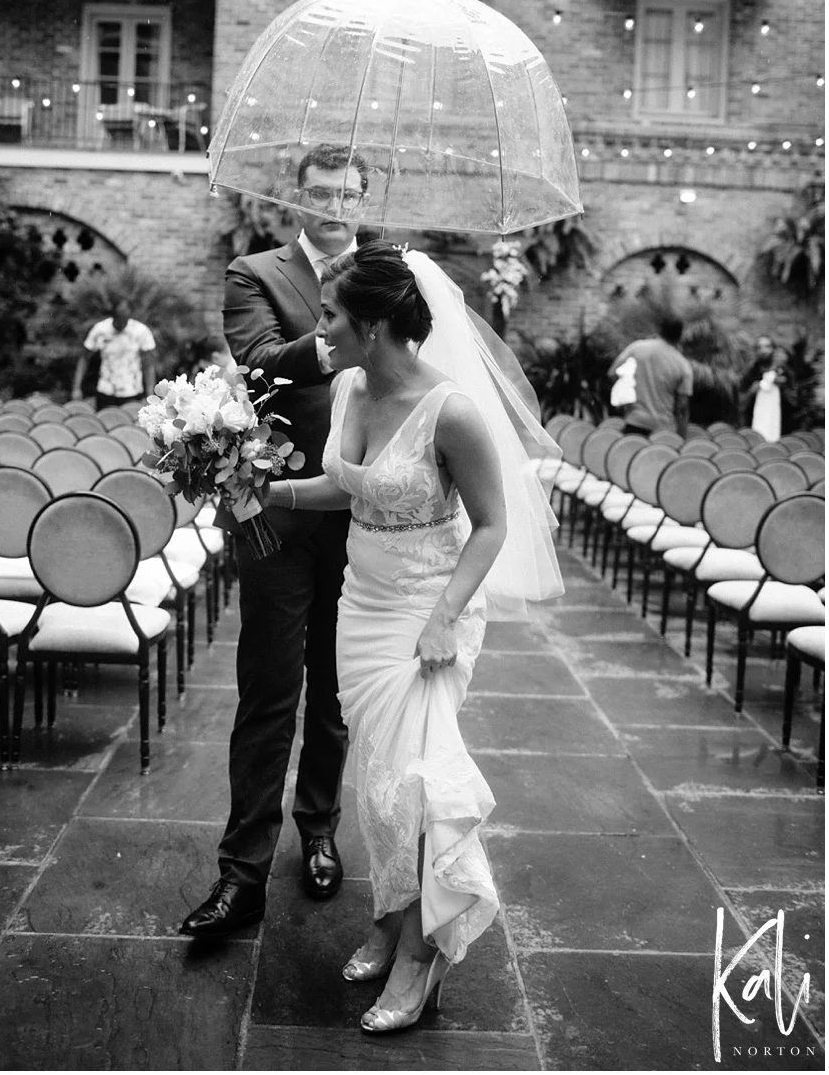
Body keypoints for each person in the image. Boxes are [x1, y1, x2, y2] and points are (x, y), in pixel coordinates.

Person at [259, 241, 563, 1033]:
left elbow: (493, 527)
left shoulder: (452, 410)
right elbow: (345, 484)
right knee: (380, 780)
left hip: (430, 612)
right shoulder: (354, 385)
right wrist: (267, 491)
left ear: (378, 324)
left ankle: (422, 955)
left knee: (422, 783)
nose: (318, 330)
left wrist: (440, 622)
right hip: (361, 605)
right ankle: (391, 912)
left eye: (330, 317)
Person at [180, 142, 370, 939]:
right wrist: (339, 341)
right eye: (319, 191)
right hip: (278, 512)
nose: (332, 204)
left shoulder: (391, 272)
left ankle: (319, 829)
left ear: (364, 198)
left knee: (334, 688)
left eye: (346, 192)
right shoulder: (255, 273)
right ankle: (242, 871)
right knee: (267, 688)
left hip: (364, 514)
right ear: (296, 199)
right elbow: (258, 363)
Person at [610, 317, 693, 438]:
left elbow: (613, 373)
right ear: (680, 337)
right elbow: (682, 408)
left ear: (660, 331)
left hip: (635, 422)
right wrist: (681, 438)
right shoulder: (682, 364)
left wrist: (625, 401)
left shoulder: (637, 348)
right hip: (665, 430)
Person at [72, 298, 155, 412]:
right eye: (119, 318)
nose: (121, 323)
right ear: (113, 315)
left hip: (132, 391)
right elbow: (84, 358)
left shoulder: (141, 331)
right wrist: (76, 388)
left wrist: (150, 395)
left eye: (124, 318)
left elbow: (149, 364)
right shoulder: (100, 330)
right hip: (106, 390)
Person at [739, 334, 785, 439]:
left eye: (767, 346)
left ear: (773, 349)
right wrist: (752, 390)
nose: (763, 350)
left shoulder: (784, 371)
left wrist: (782, 386)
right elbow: (741, 402)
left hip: (782, 428)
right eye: (759, 347)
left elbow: (795, 400)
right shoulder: (750, 372)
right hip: (754, 427)